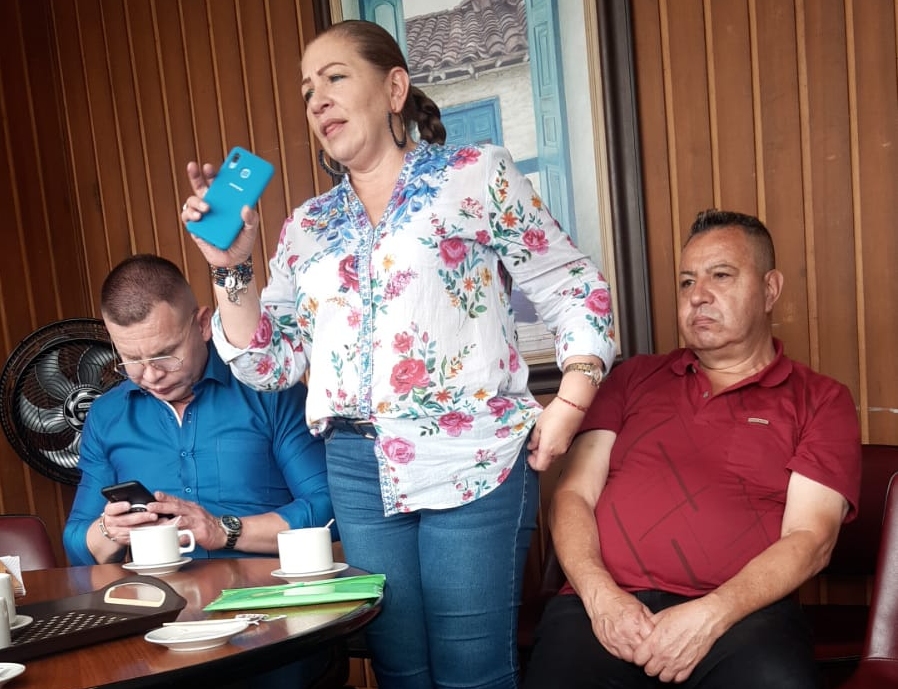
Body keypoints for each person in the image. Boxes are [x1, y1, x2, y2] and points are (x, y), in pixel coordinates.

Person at [180, 18, 616, 689]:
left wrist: (571, 402)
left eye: (335, 78)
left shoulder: (475, 175)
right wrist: (230, 266)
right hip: (358, 471)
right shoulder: (307, 226)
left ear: (393, 89)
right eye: (307, 91)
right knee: (400, 671)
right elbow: (271, 363)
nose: (318, 100)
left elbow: (572, 286)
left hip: (473, 455)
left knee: (473, 675)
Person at [522, 209, 862, 689]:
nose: (698, 295)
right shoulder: (633, 379)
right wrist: (601, 598)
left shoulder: (820, 400)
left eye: (721, 276)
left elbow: (811, 538)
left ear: (770, 290)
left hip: (743, 616)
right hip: (603, 608)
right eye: (686, 282)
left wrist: (710, 615)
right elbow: (573, 495)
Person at [64, 254, 334, 687]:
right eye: (131, 359)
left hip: (271, 616)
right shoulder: (107, 415)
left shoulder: (268, 392)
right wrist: (110, 531)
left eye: (165, 354)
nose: (151, 375)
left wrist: (223, 530)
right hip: (160, 624)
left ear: (204, 324)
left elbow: (327, 508)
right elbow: (77, 541)